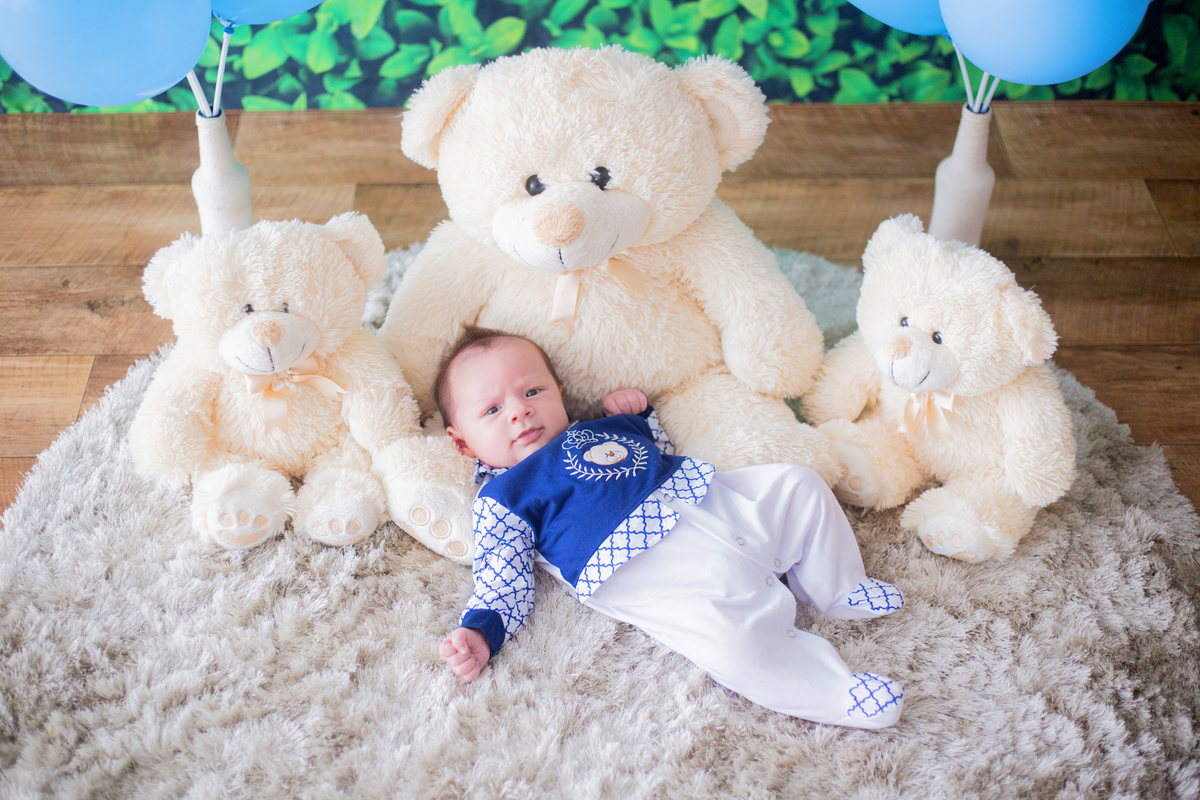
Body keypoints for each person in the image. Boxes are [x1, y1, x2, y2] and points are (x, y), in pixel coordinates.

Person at [435, 327, 906, 729]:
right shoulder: (504, 498)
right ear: (462, 443)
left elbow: (658, 450)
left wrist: (638, 416)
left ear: (558, 391)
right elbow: (502, 577)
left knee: (797, 485)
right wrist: (481, 632)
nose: (519, 410)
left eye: (532, 391)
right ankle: (836, 693)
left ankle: (841, 585)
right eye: (492, 411)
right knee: (733, 645)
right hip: (668, 576)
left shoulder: (599, 428)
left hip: (718, 506)